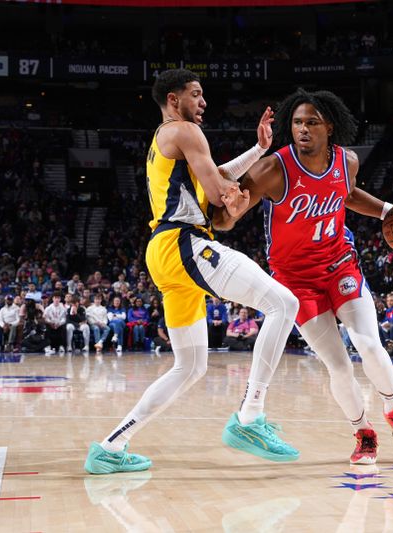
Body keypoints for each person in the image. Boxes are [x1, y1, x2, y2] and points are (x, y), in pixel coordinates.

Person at [85, 69, 300, 475]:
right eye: (196, 94)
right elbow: (220, 194)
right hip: (185, 244)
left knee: (191, 367)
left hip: (165, 253)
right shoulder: (184, 131)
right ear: (173, 98)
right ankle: (251, 418)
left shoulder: (167, 139)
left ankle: (111, 447)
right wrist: (240, 200)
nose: (203, 103)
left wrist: (256, 151)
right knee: (284, 304)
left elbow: (216, 178)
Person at [213, 88, 393, 465]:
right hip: (295, 280)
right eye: (296, 123)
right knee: (338, 365)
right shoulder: (272, 169)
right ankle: (364, 433)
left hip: (340, 264)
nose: (302, 129)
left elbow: (349, 194)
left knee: (369, 344)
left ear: (330, 126)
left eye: (311, 122)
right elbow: (224, 220)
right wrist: (231, 211)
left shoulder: (348, 161)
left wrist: (390, 210)